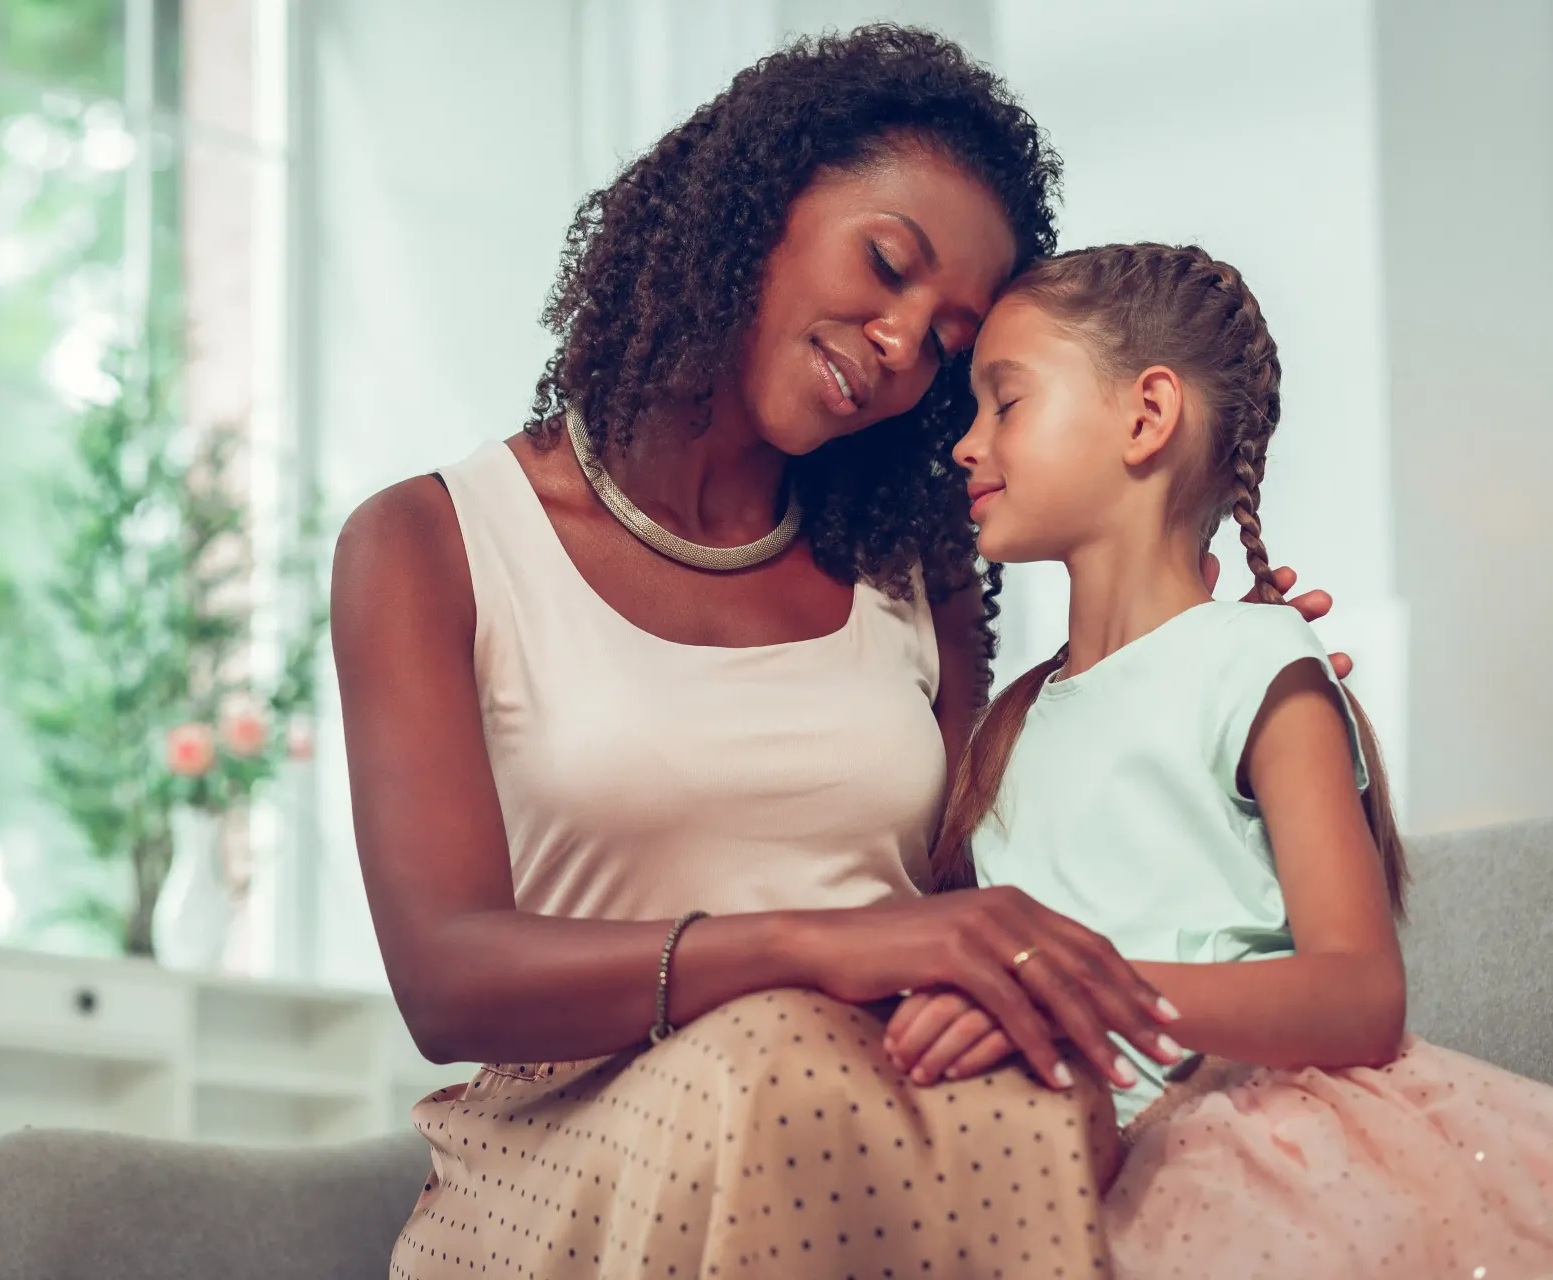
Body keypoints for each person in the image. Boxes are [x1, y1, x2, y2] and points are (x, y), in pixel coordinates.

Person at [335, 27, 1339, 1279]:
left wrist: (1199, 690)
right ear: (759, 202)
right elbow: (446, 979)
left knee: (1015, 1096)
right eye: (888, 264)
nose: (902, 345)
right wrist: (818, 942)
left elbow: (1005, 877)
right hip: (577, 1142)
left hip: (894, 1106)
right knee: (773, 1066)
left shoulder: (913, 574)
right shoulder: (430, 542)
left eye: (950, 337)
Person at [884, 241, 1553, 1277]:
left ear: (1146, 416)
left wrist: (1082, 989)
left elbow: (1362, 995)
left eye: (1004, 403)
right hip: (1051, 1157)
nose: (967, 446)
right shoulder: (1010, 724)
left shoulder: (1257, 659)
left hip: (1257, 1152)